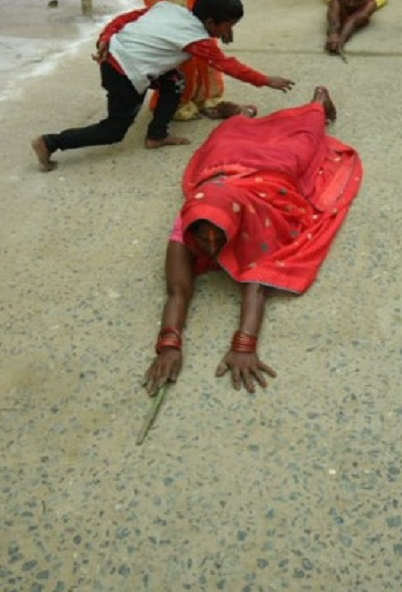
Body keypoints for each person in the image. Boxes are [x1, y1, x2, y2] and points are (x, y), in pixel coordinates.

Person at [142, 87, 363, 395]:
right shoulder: (191, 222)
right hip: (222, 175)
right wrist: (168, 345)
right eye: (201, 237)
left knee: (300, 145)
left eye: (217, 236)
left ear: (233, 226)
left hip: (268, 174)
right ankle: (242, 116)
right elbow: (177, 292)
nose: (207, 244)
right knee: (226, 137)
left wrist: (244, 345)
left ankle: (317, 104)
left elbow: (256, 285)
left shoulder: (252, 217)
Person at [31, 0, 295, 172]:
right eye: (230, 25)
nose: (230, 31)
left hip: (116, 56)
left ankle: (156, 135)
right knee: (113, 131)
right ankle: (51, 142)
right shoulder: (198, 39)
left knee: (174, 81)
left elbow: (126, 18)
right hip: (125, 72)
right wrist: (265, 80)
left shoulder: (169, 8)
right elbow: (228, 65)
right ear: (212, 22)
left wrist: (105, 37)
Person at [323, 0, 392, 56]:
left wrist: (340, 41)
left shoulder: (371, 3)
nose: (351, 4)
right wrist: (333, 34)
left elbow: (353, 21)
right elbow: (333, 17)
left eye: (358, 0)